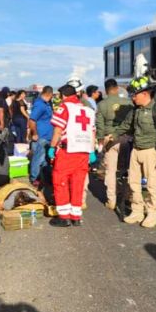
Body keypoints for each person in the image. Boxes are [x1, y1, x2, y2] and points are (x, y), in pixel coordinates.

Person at [124, 76, 156, 228]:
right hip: (136, 150)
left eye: (134, 94)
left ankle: (152, 214)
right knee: (133, 182)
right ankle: (137, 211)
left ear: (144, 94)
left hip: (151, 151)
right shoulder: (136, 110)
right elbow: (127, 127)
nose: (133, 97)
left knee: (151, 185)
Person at [47, 84, 96, 227]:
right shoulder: (88, 110)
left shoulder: (64, 108)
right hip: (84, 153)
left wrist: (51, 147)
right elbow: (92, 132)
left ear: (63, 96)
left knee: (60, 182)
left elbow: (57, 130)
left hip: (67, 151)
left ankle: (64, 217)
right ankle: (76, 216)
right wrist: (92, 151)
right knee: (78, 184)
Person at [96, 78, 133, 210]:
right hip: (126, 140)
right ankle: (128, 196)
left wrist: (100, 140)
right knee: (128, 170)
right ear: (117, 88)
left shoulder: (102, 105)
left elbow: (99, 125)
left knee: (110, 171)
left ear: (106, 90)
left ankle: (111, 200)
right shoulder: (128, 103)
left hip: (109, 140)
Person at [28, 85, 54, 184]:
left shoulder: (46, 104)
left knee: (45, 160)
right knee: (38, 158)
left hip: (48, 135)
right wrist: (34, 133)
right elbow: (32, 120)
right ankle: (34, 178)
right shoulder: (40, 104)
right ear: (50, 94)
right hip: (41, 135)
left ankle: (47, 178)